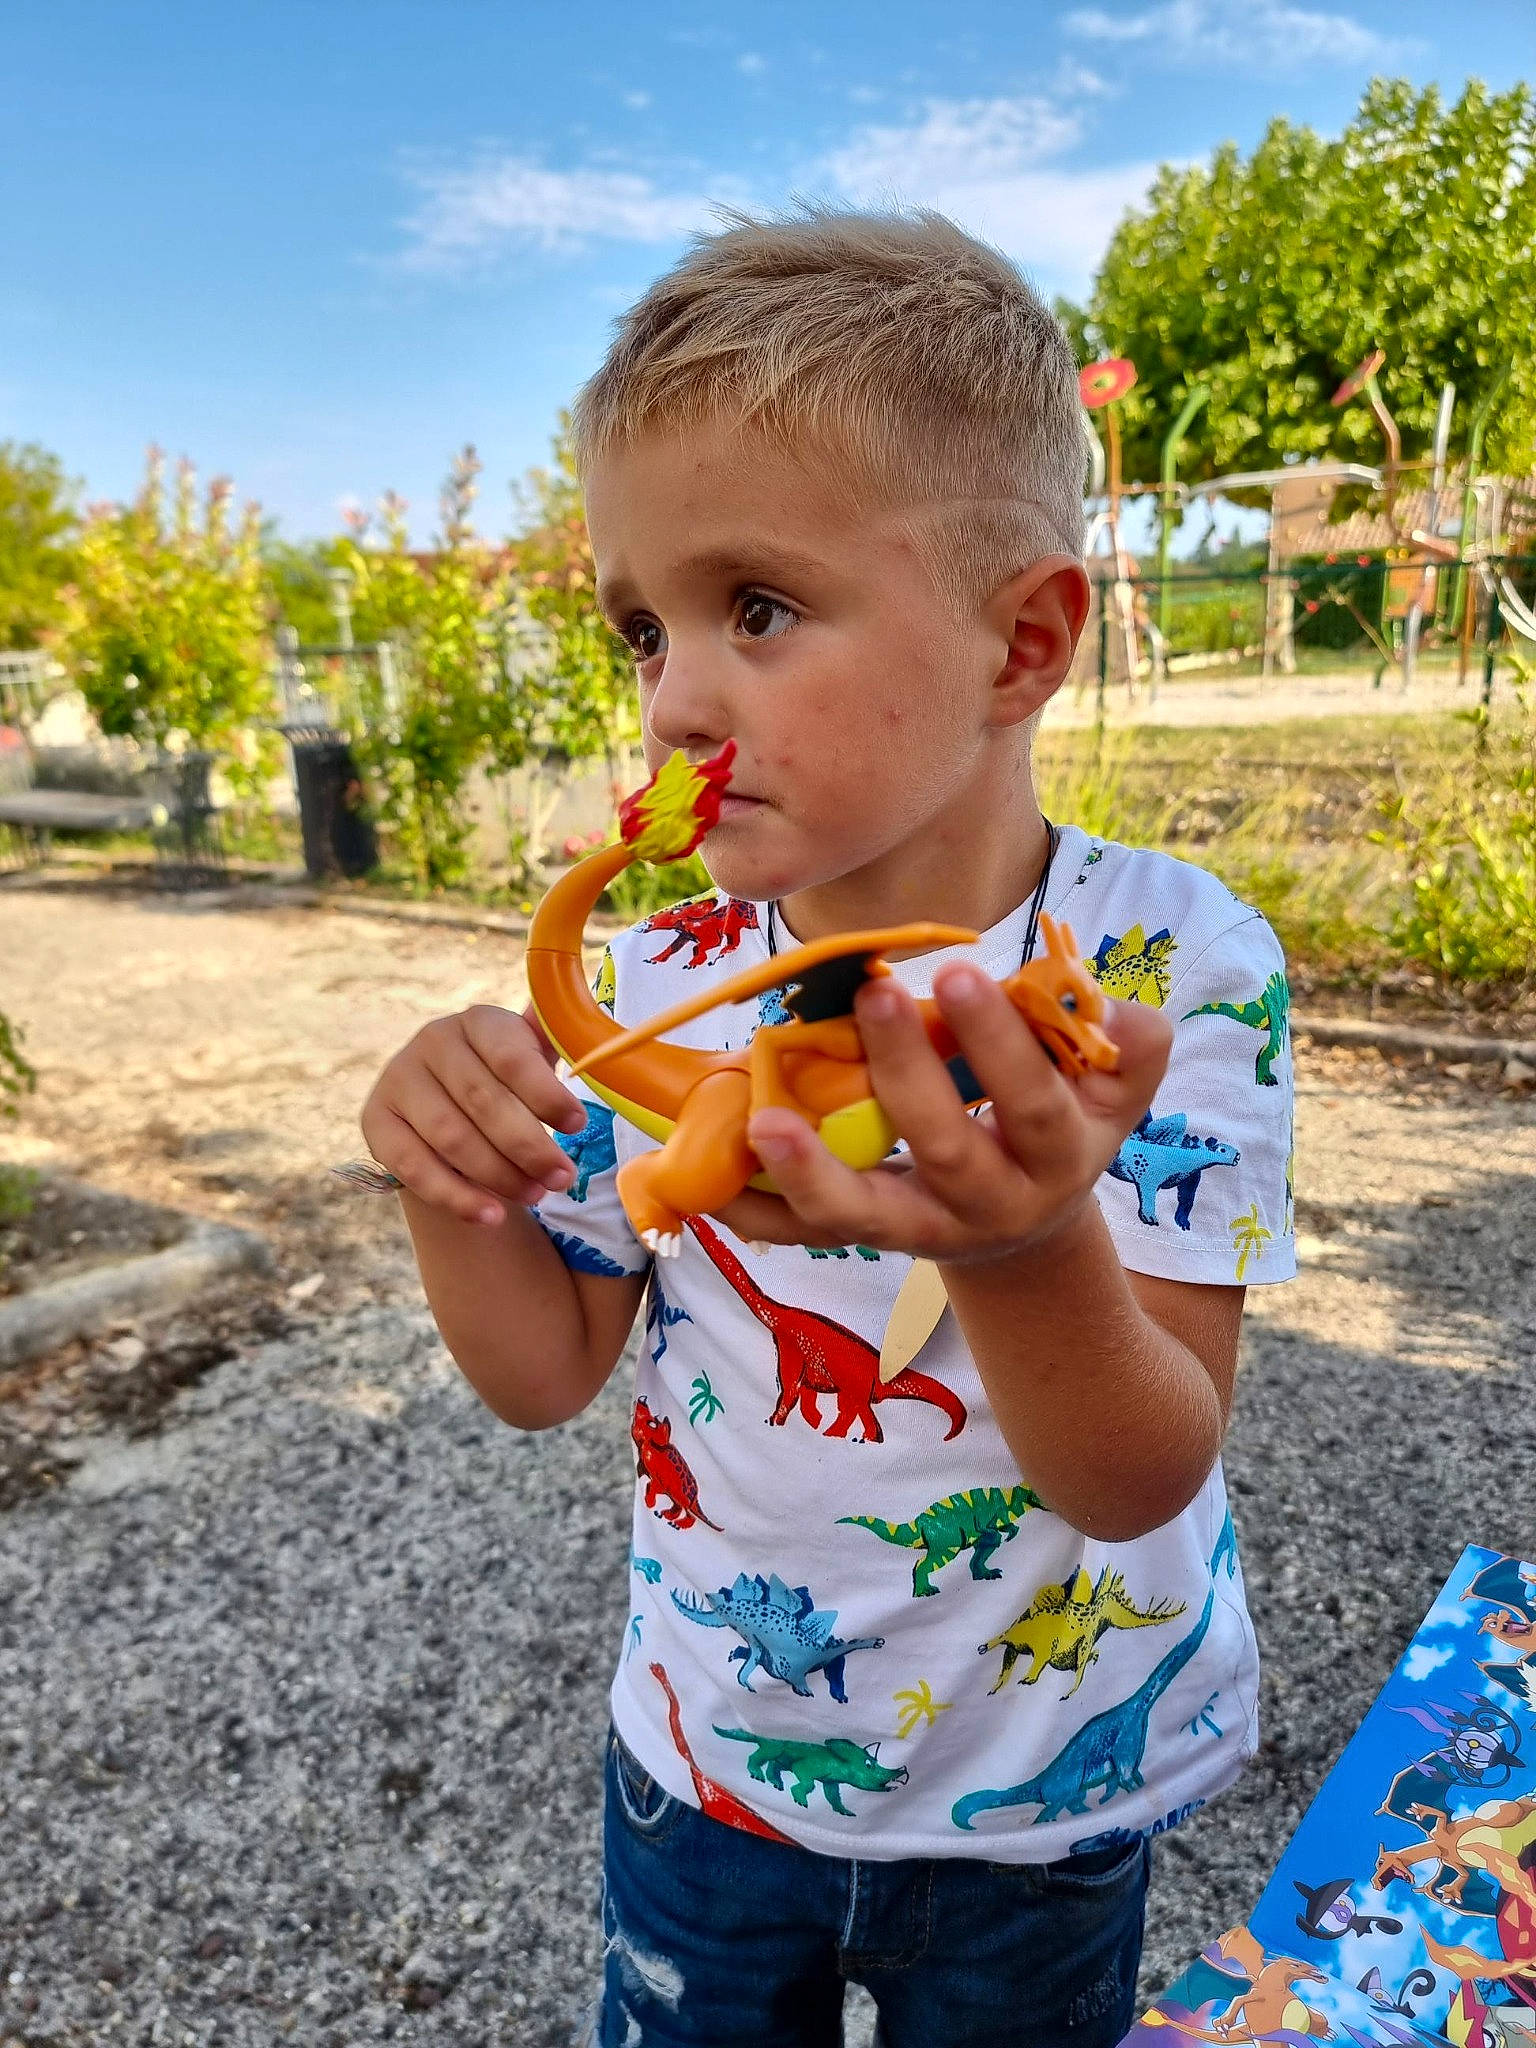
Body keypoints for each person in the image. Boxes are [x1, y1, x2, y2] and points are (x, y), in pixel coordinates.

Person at [360, 208, 1296, 2047]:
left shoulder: (1163, 972)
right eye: (642, 627)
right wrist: (447, 1183)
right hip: (706, 1768)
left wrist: (1023, 1241)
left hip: (1036, 1803)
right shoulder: (654, 981)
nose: (673, 698)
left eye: (756, 609)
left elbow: (1139, 1470)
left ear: (1020, 641)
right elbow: (547, 1368)